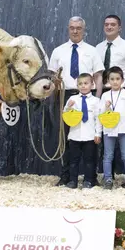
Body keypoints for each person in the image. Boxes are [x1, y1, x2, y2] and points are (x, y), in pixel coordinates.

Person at [48, 16, 104, 187]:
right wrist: (55, 93)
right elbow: (52, 77)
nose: (75, 31)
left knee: (91, 140)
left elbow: (98, 76)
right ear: (68, 28)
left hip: (88, 98)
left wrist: (98, 98)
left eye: (78, 28)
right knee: (65, 137)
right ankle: (67, 177)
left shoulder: (92, 50)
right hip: (66, 97)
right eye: (72, 27)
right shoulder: (58, 51)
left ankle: (91, 178)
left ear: (84, 29)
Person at [99, 66, 125, 189]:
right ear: (108, 81)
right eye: (112, 79)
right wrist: (106, 107)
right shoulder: (105, 95)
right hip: (109, 130)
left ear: (122, 80)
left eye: (117, 79)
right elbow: (101, 114)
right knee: (108, 156)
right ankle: (108, 179)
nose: (115, 81)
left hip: (124, 129)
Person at [63, 73, 102, 189]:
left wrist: (98, 133)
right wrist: (68, 108)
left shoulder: (96, 101)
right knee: (73, 160)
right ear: (77, 85)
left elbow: (98, 119)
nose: (83, 86)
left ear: (92, 84)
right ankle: (72, 181)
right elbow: (66, 116)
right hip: (75, 135)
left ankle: (88, 181)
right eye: (80, 84)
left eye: (86, 83)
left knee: (89, 160)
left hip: (90, 136)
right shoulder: (72, 99)